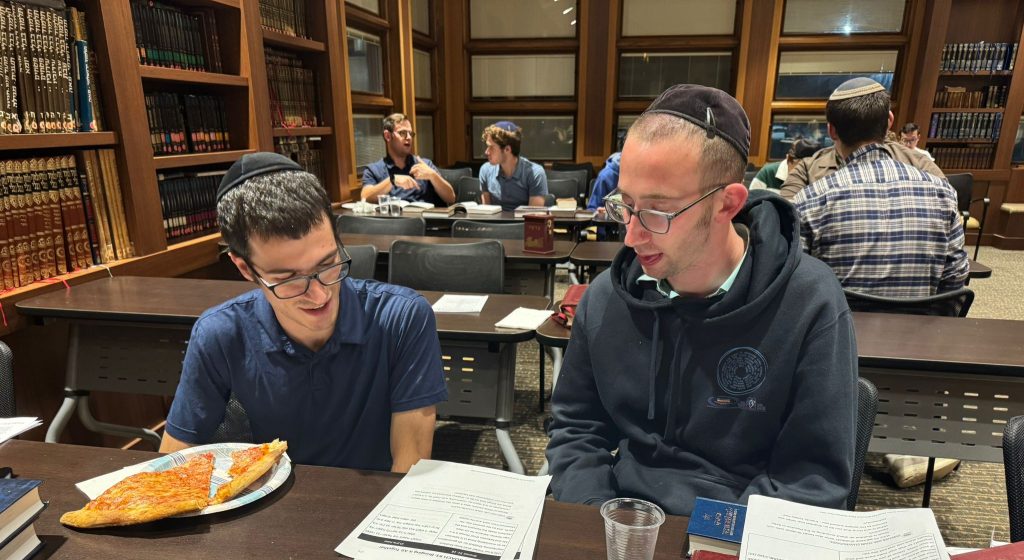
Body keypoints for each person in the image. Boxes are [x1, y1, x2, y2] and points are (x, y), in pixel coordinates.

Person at [545, 84, 857, 517]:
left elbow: (812, 479)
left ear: (727, 204)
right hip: (620, 520)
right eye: (626, 205)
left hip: (735, 531)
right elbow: (577, 430)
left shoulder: (809, 303)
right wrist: (602, 521)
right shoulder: (607, 298)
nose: (632, 236)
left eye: (658, 211)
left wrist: (710, 539)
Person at [160, 152, 448, 473]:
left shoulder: (402, 318)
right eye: (288, 279)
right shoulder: (221, 334)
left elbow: (408, 468)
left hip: (375, 505)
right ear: (245, 268)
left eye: (327, 265)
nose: (319, 294)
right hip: (268, 508)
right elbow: (172, 467)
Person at [793, 78, 969, 298]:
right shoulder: (943, 192)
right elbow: (955, 279)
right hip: (922, 330)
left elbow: (797, 286)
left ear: (831, 131)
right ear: (889, 122)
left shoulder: (810, 201)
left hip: (836, 330)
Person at [779, 120, 944, 200]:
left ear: (831, 130)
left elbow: (788, 222)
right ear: (889, 121)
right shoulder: (925, 168)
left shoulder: (808, 168)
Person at [361, 113, 455, 206]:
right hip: (394, 220)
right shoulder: (374, 170)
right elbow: (365, 197)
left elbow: (451, 198)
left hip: (423, 219)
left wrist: (433, 176)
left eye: (410, 133)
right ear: (388, 136)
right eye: (403, 133)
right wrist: (392, 180)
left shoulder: (424, 165)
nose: (409, 138)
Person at [478, 121, 548, 211]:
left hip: (522, 224)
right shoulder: (485, 170)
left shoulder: (535, 173)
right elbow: (486, 214)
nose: (486, 152)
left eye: (491, 147)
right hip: (495, 224)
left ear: (507, 149)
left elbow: (533, 218)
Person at [748, 138, 819, 191]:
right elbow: (751, 202)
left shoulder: (817, 178)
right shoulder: (768, 172)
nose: (803, 173)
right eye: (800, 167)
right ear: (789, 159)